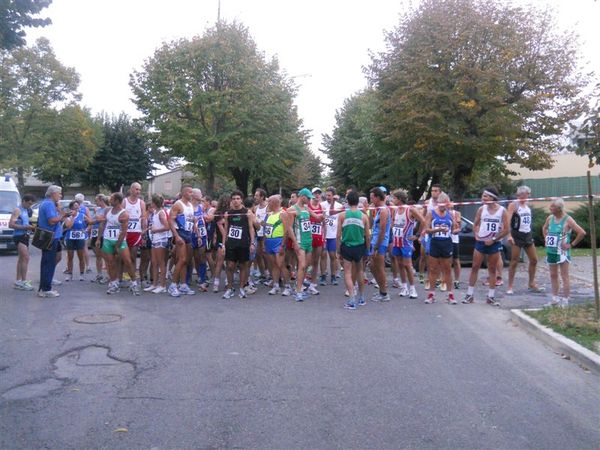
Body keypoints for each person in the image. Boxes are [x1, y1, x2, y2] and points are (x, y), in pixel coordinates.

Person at [463, 188, 509, 306]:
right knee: (475, 267)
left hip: (494, 243)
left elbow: (506, 230)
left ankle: (491, 296)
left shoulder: (502, 211)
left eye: (485, 196)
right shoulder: (481, 209)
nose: (483, 198)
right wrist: (477, 234)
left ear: (492, 198)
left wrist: (494, 239)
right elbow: (476, 224)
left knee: (492, 269)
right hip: (481, 242)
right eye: (483, 196)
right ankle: (469, 295)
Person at [542, 198, 586, 307]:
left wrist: (571, 244)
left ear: (559, 208)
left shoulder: (568, 219)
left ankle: (565, 300)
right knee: (553, 275)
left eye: (552, 206)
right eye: (550, 206)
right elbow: (544, 228)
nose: (550, 208)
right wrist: (546, 239)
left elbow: (582, 232)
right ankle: (554, 299)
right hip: (551, 251)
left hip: (562, 252)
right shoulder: (550, 218)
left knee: (564, 275)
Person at [97, 192, 141, 295]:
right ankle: (114, 283)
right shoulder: (108, 210)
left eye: (111, 199)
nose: (109, 200)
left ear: (117, 201)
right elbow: (102, 225)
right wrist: (99, 238)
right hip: (108, 239)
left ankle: (134, 283)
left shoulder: (124, 214)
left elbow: (124, 231)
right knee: (110, 263)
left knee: (128, 261)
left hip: (120, 241)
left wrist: (117, 245)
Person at [423, 193, 460, 304]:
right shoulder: (431, 213)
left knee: (447, 269)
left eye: (445, 204)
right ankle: (431, 294)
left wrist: (455, 231)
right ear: (437, 203)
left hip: (447, 243)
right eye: (441, 204)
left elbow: (455, 229)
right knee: (433, 269)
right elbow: (426, 230)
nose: (442, 206)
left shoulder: (450, 214)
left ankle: (450, 295)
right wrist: (438, 230)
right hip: (435, 242)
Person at [506, 185, 543, 294]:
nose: (525, 197)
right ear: (519, 195)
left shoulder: (527, 206)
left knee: (534, 260)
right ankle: (510, 286)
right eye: (522, 195)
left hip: (527, 235)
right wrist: (509, 235)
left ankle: (531, 284)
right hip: (517, 235)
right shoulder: (514, 205)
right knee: (514, 261)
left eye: (526, 195)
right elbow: (508, 220)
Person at [337, 190, 370, 309]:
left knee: (347, 272)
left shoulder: (342, 215)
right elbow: (367, 235)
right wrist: (368, 249)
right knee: (360, 272)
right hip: (360, 247)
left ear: (348, 202)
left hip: (346, 246)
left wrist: (337, 250)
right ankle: (361, 298)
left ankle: (351, 299)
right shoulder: (364, 216)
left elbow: (338, 235)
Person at [284, 188, 318, 302]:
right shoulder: (292, 209)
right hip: (300, 241)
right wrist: (294, 242)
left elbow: (317, 217)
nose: (309, 200)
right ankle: (298, 291)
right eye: (308, 198)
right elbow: (288, 228)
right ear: (302, 196)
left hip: (309, 240)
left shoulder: (306, 208)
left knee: (306, 266)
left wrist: (324, 216)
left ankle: (300, 286)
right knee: (302, 265)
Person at [390, 189, 424, 299]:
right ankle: (404, 287)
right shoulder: (396, 210)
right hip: (396, 241)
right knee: (400, 264)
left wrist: (417, 235)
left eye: (394, 198)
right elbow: (394, 223)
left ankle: (412, 288)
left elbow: (423, 221)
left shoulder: (410, 210)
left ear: (400, 199)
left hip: (406, 242)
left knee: (407, 265)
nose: (392, 200)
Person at [223, 190, 255, 299]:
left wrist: (252, 243)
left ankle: (241, 288)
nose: (236, 201)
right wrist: (223, 244)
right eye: (234, 199)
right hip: (231, 243)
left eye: (238, 199)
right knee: (230, 266)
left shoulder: (247, 212)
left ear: (241, 200)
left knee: (243, 266)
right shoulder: (228, 213)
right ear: (231, 200)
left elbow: (251, 228)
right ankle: (230, 288)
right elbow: (226, 229)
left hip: (244, 243)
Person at [37, 185, 68, 298]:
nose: (60, 195)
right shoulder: (49, 204)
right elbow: (51, 221)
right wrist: (62, 215)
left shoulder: (46, 203)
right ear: (53, 193)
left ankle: (44, 287)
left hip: (49, 236)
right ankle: (46, 289)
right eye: (59, 193)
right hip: (50, 237)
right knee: (48, 263)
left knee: (47, 262)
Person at [168, 185, 196, 297]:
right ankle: (173, 285)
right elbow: (170, 220)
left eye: (192, 192)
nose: (192, 194)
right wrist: (176, 236)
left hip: (188, 233)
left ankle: (183, 284)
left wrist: (194, 224)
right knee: (182, 259)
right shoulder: (178, 204)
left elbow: (190, 219)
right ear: (184, 193)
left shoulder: (190, 205)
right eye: (190, 192)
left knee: (187, 260)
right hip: (180, 234)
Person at [263, 195, 291, 295]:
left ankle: (287, 286)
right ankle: (276, 285)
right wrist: (264, 242)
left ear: (274, 203)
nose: (267, 204)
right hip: (269, 242)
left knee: (281, 265)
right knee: (273, 265)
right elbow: (266, 229)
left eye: (269, 202)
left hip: (278, 241)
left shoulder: (282, 214)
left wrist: (283, 245)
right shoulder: (269, 214)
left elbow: (286, 230)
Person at [10, 194, 36, 290]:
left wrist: (30, 227)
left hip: (25, 235)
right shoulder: (17, 210)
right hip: (19, 236)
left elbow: (24, 222)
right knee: (26, 258)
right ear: (24, 201)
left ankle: (18, 281)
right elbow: (11, 224)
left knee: (21, 259)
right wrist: (26, 227)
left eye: (31, 204)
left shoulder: (26, 210)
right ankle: (23, 281)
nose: (29, 206)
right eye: (29, 203)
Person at [145, 194, 170, 293]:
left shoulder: (161, 213)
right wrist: (148, 229)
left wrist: (155, 231)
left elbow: (167, 227)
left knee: (161, 263)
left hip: (161, 239)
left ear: (154, 203)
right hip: (155, 239)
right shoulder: (156, 212)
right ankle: (154, 284)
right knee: (154, 262)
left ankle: (162, 285)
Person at [369, 187, 391, 301]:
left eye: (372, 197)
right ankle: (382, 291)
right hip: (376, 241)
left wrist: (377, 246)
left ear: (378, 197)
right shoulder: (379, 209)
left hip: (380, 243)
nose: (371, 200)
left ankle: (384, 293)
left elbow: (383, 230)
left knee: (379, 267)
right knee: (372, 266)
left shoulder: (383, 211)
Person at [123, 182, 147, 281]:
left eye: (139, 190)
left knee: (133, 255)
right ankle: (124, 274)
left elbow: (143, 218)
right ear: (131, 190)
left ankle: (133, 275)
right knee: (123, 255)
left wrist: (143, 232)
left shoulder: (141, 202)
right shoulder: (124, 201)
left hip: (136, 232)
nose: (138, 192)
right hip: (125, 232)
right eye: (136, 189)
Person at [63, 200, 91, 281]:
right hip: (70, 238)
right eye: (75, 205)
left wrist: (86, 229)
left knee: (81, 256)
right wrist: (72, 217)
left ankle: (81, 274)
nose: (77, 206)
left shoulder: (82, 215)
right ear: (71, 207)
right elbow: (69, 226)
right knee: (70, 256)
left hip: (80, 237)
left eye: (78, 205)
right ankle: (69, 274)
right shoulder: (67, 217)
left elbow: (90, 222)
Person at [320, 186, 343, 286]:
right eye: (326, 195)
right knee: (323, 255)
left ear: (334, 196)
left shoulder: (339, 206)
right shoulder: (322, 205)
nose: (328, 197)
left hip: (333, 235)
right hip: (323, 235)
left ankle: (333, 276)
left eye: (329, 195)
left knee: (333, 256)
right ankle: (323, 276)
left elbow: (341, 220)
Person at [306, 187, 325, 295]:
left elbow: (324, 223)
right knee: (306, 261)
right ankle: (304, 280)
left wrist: (324, 237)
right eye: (315, 193)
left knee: (315, 261)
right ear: (311, 195)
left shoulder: (322, 207)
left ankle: (313, 283)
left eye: (319, 193)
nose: (317, 195)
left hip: (318, 237)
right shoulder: (307, 206)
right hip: (308, 237)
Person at [211, 194, 229, 293]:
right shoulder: (226, 213)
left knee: (219, 262)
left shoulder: (217, 213)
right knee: (227, 262)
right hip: (225, 240)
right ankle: (226, 282)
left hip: (219, 240)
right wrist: (226, 240)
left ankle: (216, 284)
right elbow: (223, 230)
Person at [90, 194, 108, 283]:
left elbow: (103, 219)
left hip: (103, 234)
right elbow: (93, 220)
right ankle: (99, 274)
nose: (95, 202)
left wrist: (98, 219)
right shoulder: (98, 210)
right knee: (98, 255)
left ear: (101, 200)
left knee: (106, 256)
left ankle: (108, 276)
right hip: (95, 233)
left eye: (96, 200)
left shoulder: (107, 209)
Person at [74, 193, 93, 273]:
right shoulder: (85, 209)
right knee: (85, 248)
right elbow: (90, 220)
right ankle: (88, 266)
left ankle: (68, 266)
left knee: (71, 249)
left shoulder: (73, 208)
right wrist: (88, 228)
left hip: (75, 230)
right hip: (82, 230)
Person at [253, 188, 269, 281]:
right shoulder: (255, 208)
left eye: (256, 195)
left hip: (265, 234)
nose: (255, 197)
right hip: (257, 233)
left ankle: (267, 271)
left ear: (262, 197)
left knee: (265, 254)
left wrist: (264, 223)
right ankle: (263, 273)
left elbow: (270, 220)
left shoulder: (268, 207)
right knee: (257, 254)